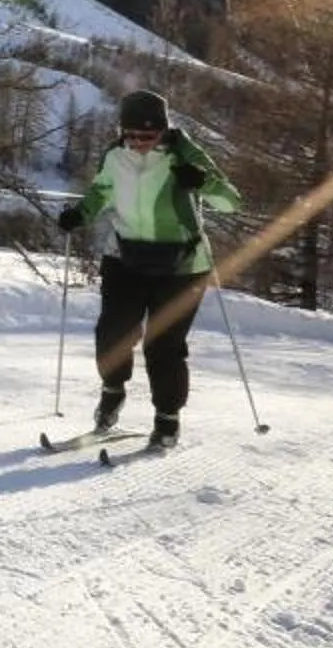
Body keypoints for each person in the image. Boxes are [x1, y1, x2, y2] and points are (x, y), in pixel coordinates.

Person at [56, 89, 242, 452]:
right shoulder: (114, 156)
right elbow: (101, 191)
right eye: (132, 135)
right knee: (113, 332)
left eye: (149, 135)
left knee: (164, 345)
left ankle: (167, 421)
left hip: (182, 266)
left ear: (163, 130)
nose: (139, 142)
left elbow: (231, 201)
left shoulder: (184, 154)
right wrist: (81, 213)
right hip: (125, 256)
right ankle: (112, 395)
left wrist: (201, 180)